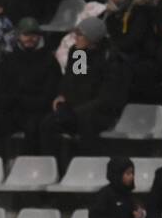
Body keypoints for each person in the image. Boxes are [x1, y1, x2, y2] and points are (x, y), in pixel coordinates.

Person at [38, 17, 130, 170]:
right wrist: (62, 96)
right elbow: (74, 81)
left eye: (80, 35)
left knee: (86, 124)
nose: (75, 38)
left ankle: (86, 170)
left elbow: (106, 98)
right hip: (77, 109)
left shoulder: (111, 58)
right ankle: (52, 170)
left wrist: (77, 111)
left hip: (100, 112)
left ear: (92, 38)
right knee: (48, 123)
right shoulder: (80, 53)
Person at [0, 18, 62, 150]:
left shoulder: (53, 60)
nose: (30, 39)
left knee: (35, 127)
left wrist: (18, 99)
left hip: (38, 113)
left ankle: (34, 168)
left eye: (33, 35)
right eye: (26, 35)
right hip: (12, 111)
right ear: (18, 35)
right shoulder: (9, 60)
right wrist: (10, 101)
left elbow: (50, 94)